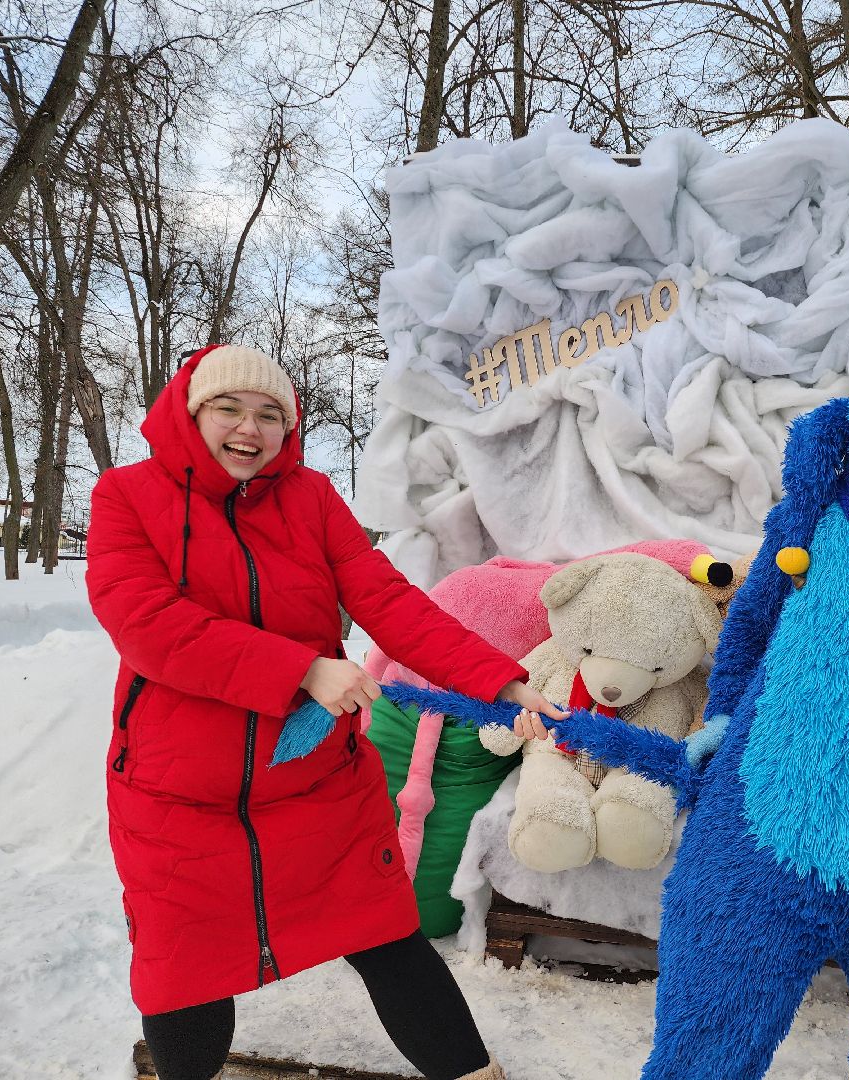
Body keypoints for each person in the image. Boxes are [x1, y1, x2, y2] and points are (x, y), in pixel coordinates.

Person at [86, 343, 566, 1080]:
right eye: (229, 408)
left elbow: (388, 600)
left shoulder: (310, 499)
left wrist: (499, 683)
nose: (250, 428)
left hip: (316, 784)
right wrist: (302, 670)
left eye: (271, 414)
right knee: (187, 970)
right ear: (190, 413)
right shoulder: (127, 496)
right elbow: (146, 623)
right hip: (177, 796)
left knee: (385, 935)